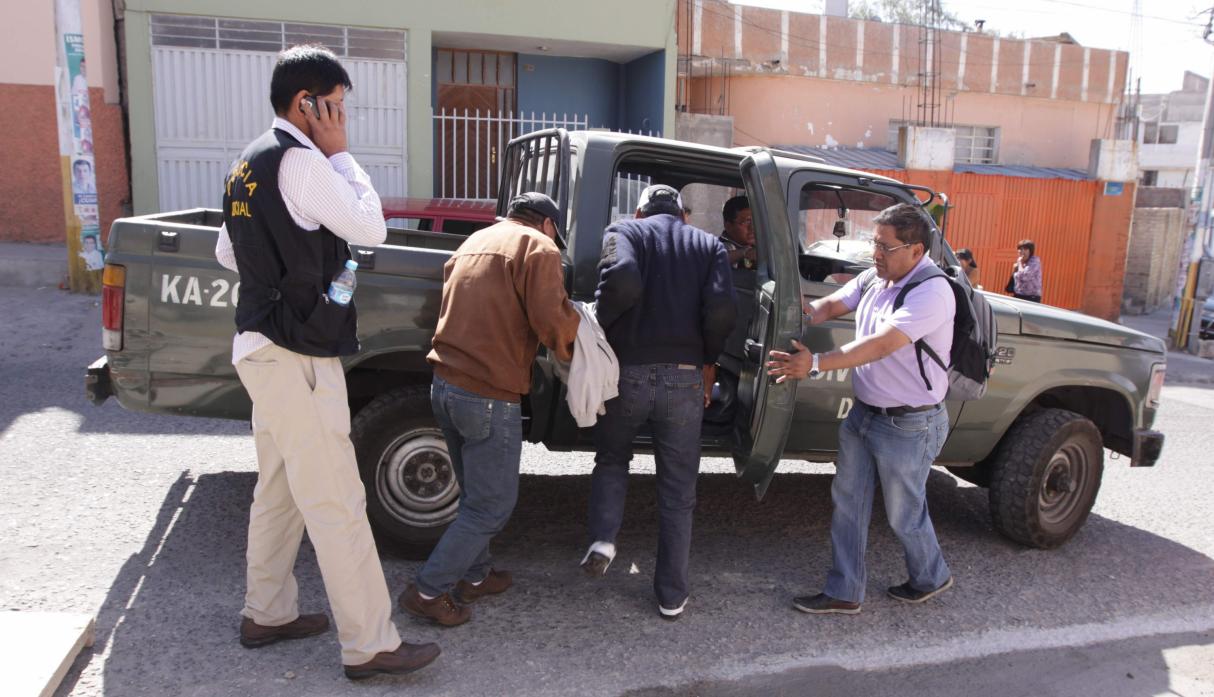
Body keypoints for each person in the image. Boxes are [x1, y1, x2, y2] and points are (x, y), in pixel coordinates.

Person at [213, 44, 439, 680]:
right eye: (335, 106)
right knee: (337, 497)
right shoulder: (304, 163)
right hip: (298, 354)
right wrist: (339, 155)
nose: (342, 119)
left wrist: (278, 272)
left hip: (260, 346)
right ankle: (370, 644)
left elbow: (229, 253)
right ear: (305, 104)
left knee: (281, 488)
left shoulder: (247, 164)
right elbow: (371, 228)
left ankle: (269, 611)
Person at [400, 192, 580, 626]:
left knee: (474, 496)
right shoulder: (537, 247)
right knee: (491, 507)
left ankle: (476, 577)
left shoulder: (474, 241)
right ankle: (428, 589)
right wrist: (583, 338)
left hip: (445, 386)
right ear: (548, 224)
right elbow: (551, 320)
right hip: (487, 392)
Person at [767, 202, 955, 615]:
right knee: (848, 503)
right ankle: (845, 590)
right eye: (875, 243)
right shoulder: (878, 276)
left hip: (909, 423)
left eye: (886, 247)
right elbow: (833, 304)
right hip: (864, 414)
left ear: (916, 251)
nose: (876, 254)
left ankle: (931, 575)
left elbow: (880, 344)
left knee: (903, 514)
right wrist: (798, 314)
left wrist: (815, 364)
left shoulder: (933, 292)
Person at [581, 184, 737, 620]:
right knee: (678, 487)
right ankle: (671, 594)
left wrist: (601, 326)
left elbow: (622, 280)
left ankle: (604, 539)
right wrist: (708, 359)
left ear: (640, 210)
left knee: (612, 459)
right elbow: (723, 309)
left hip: (626, 374)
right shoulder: (707, 244)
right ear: (684, 215)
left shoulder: (625, 231)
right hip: (685, 380)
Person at [720, 195, 756, 269]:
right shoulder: (723, 246)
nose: (752, 227)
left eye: (755, 221)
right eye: (747, 222)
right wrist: (745, 253)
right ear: (728, 226)